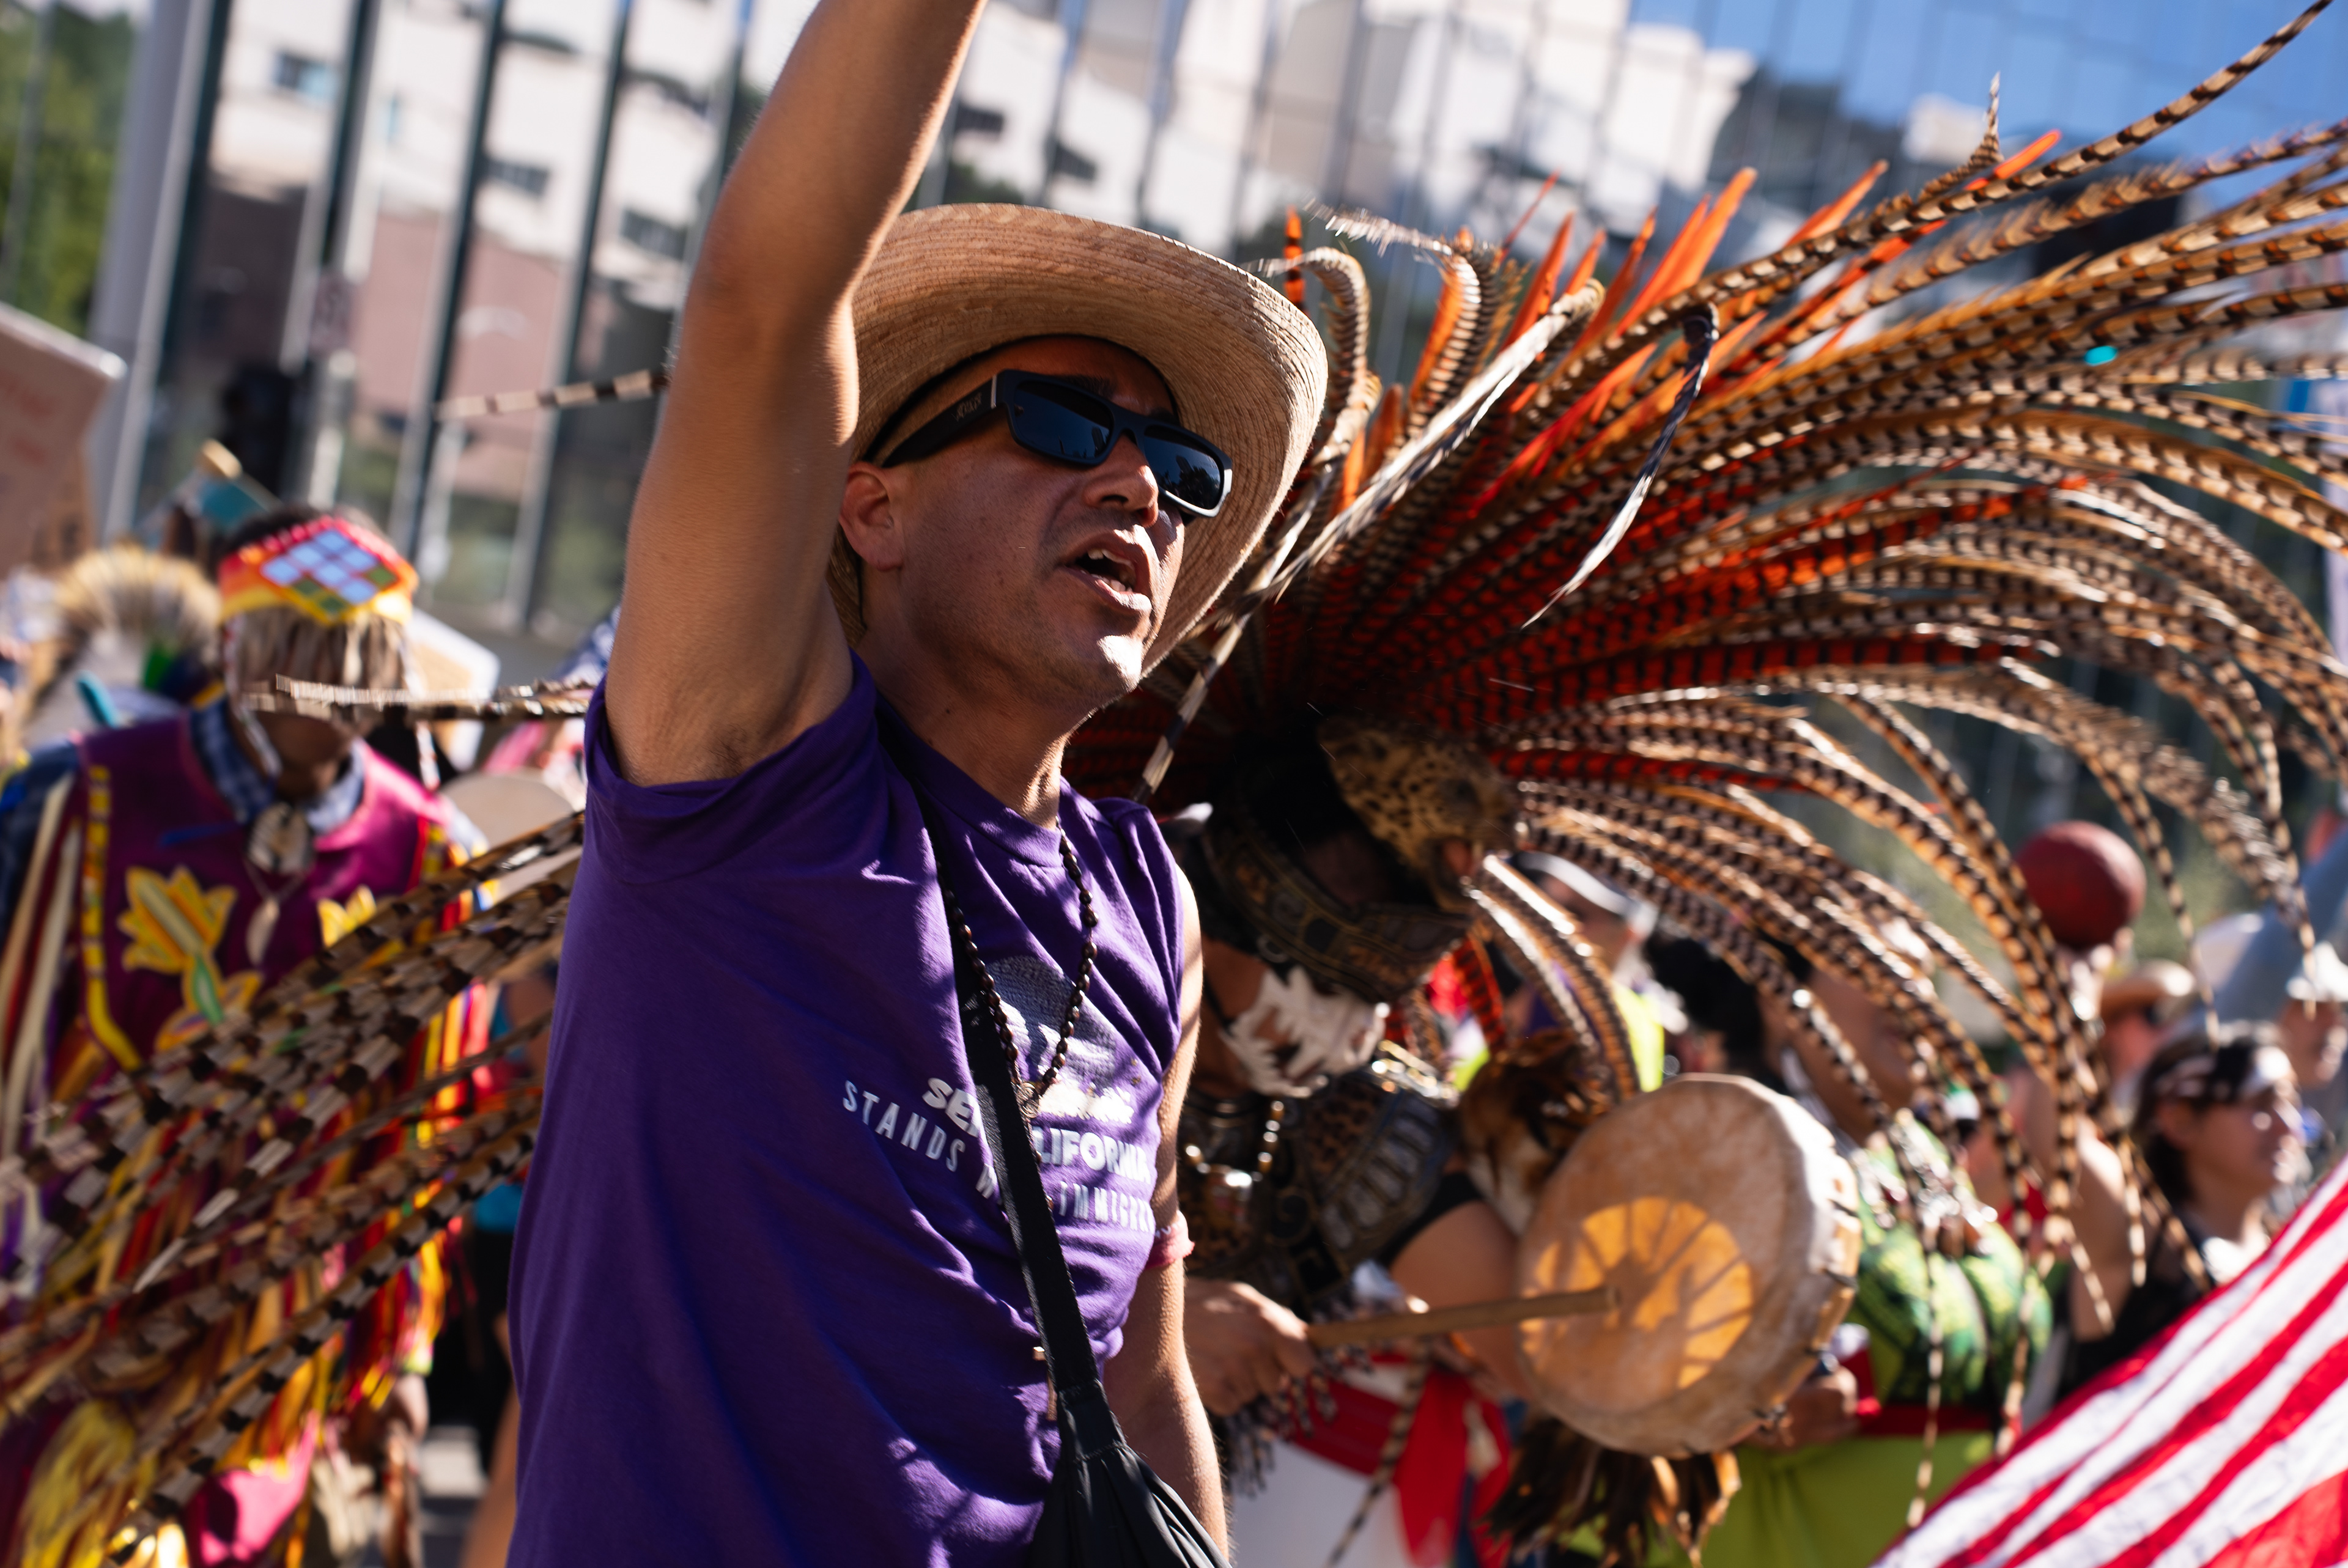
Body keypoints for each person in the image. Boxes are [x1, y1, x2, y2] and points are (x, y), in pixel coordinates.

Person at [503, 1, 1325, 1561]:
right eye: (1062, 416)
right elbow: (761, 300)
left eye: (1182, 469)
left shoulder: (1147, 899)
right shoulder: (740, 778)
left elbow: (1136, 1374)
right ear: (865, 506)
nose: (1139, 484)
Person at [0, 510, 485, 1567]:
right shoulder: (83, 799)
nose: (340, 688)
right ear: (238, 650)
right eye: (310, 654)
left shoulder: (429, 863)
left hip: (261, 1359)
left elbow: (422, 1138)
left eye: (364, 660)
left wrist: (400, 1363)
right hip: (56, 1308)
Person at [1168, 726, 1528, 1568]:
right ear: (1208, 923)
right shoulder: (1051, 1031)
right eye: (1328, 985)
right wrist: (1142, 1332)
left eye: (1378, 997)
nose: (1354, 1030)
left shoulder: (1355, 1108)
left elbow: (1548, 1340)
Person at [1667, 932, 2050, 1568]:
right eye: (1880, 970)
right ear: (1780, 997)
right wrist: (1733, 1405)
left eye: (1925, 976)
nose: (1917, 996)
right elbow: (1618, 1349)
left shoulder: (1918, 1154)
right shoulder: (1723, 1145)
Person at [2061, 1023, 2305, 1395]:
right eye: (2261, 1104)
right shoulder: (2140, 1239)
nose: (2289, 1125)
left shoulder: (2292, 1249)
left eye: (2291, 1101)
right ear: (2180, 1120)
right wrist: (2076, 1003)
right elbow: (2059, 1141)